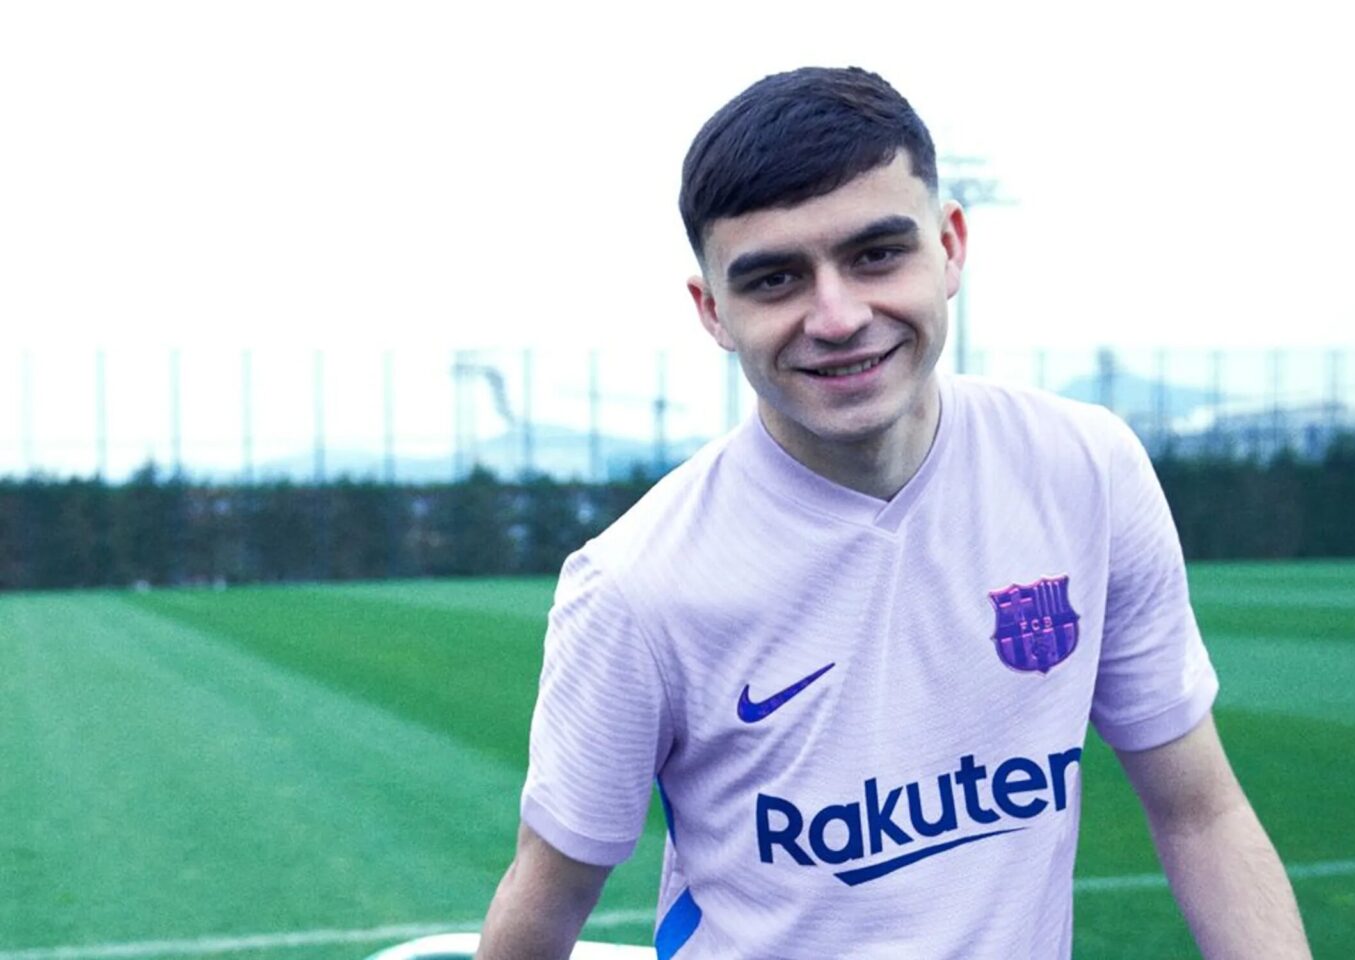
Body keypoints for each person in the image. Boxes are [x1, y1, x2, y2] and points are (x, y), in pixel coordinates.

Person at [476, 66, 1311, 960]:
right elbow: (545, 905)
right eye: (775, 280)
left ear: (949, 246)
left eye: (877, 254)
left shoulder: (1086, 470)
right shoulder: (635, 584)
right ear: (712, 311)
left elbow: (1201, 814)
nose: (837, 317)